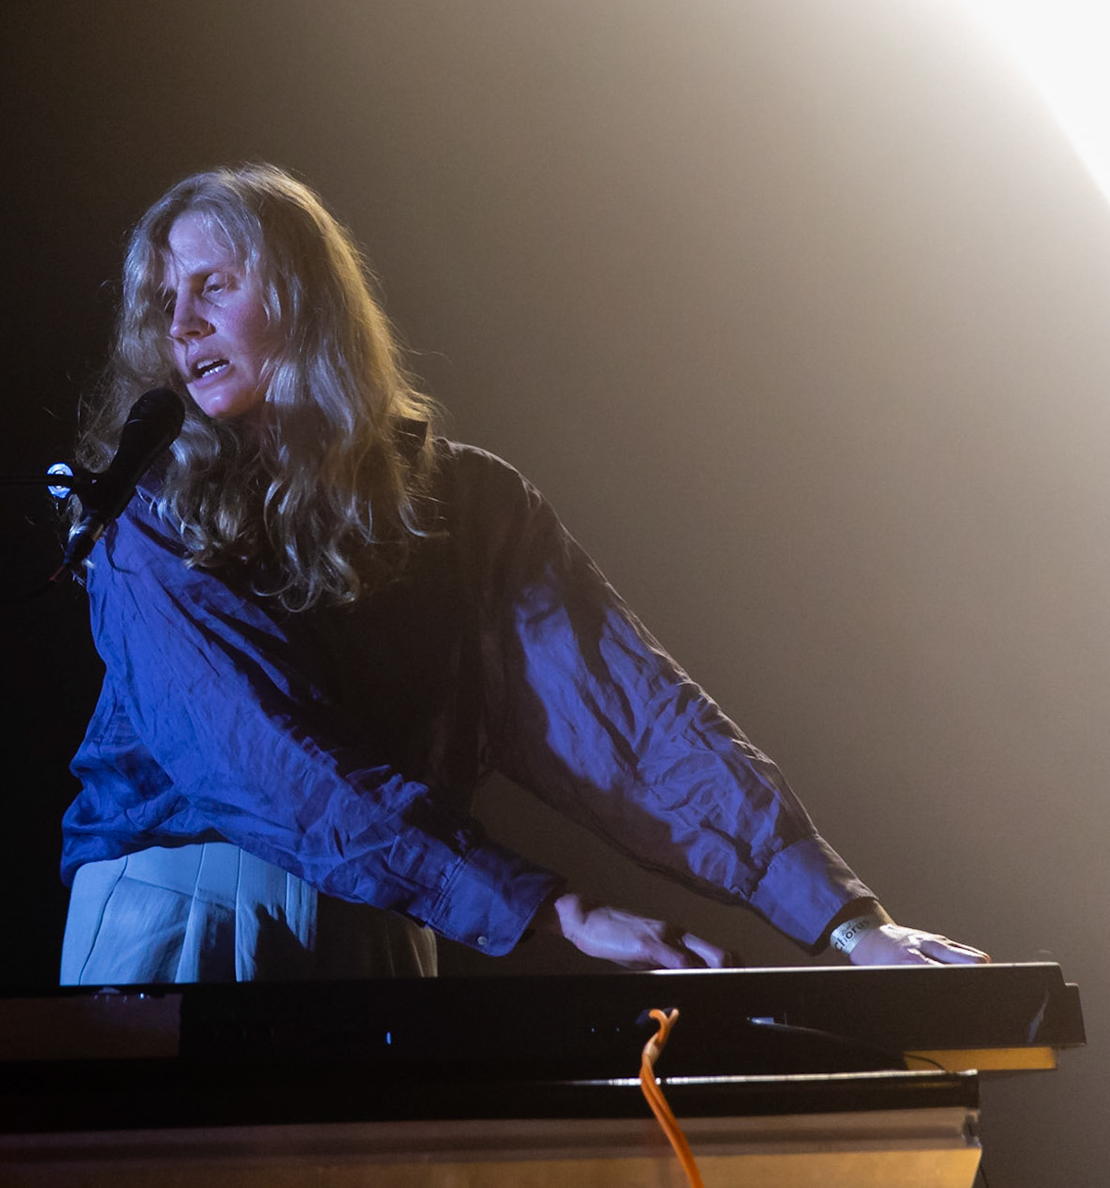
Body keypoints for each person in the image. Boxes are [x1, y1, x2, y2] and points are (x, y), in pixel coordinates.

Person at [58, 163, 987, 984]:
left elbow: (634, 725)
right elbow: (263, 759)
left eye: (214, 286)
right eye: (164, 302)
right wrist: (550, 907)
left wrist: (848, 926)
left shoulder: (467, 505)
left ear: (305, 297)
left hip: (391, 910)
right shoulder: (147, 511)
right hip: (189, 909)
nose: (182, 324)